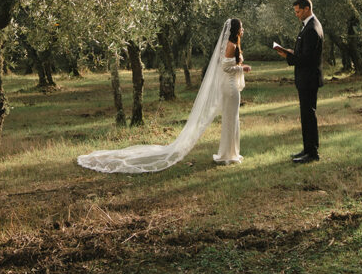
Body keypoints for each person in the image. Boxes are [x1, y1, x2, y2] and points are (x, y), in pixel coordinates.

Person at [77, 18, 251, 174]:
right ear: (235, 30)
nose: (243, 30)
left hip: (228, 86)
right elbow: (225, 68)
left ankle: (229, 153)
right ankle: (228, 155)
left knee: (231, 119)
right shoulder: (232, 45)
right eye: (241, 27)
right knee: (231, 120)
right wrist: (242, 68)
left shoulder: (231, 45)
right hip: (229, 87)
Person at [274, 0, 323, 163]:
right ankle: (307, 149)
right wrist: (291, 52)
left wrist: (288, 56)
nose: (296, 14)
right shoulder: (308, 26)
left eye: (298, 11)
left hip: (309, 79)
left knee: (309, 115)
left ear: (306, 9)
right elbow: (304, 54)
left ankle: (312, 153)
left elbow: (307, 59)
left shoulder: (311, 28)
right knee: (306, 115)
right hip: (306, 78)